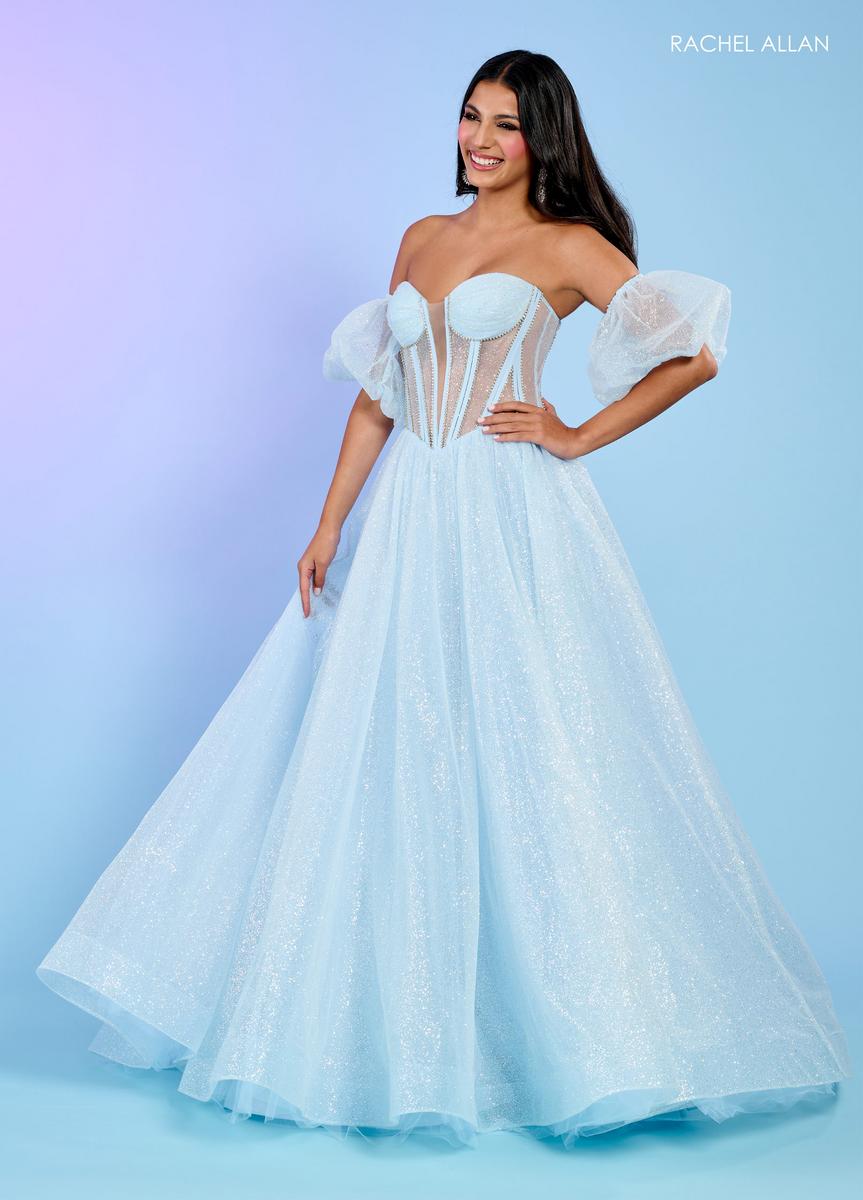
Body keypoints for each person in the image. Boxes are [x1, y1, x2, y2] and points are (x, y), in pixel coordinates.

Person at [36, 50, 851, 1150]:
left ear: (542, 137)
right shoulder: (422, 237)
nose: (479, 139)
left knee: (526, 739)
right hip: (408, 512)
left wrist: (573, 433)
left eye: (504, 123)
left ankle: (577, 1037)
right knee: (379, 739)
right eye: (470, 116)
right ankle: (371, 1025)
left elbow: (693, 354)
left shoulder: (568, 245)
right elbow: (381, 396)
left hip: (506, 512)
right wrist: (328, 523)